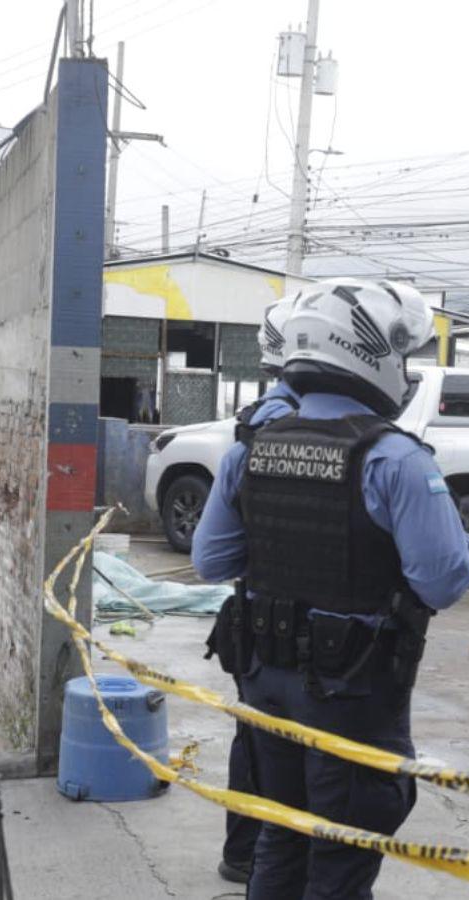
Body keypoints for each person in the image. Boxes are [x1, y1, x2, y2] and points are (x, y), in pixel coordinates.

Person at [192, 278, 469, 900]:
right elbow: (444, 581)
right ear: (371, 356)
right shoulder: (396, 458)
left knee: (280, 836)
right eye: (405, 356)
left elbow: (211, 560)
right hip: (351, 689)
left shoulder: (251, 447)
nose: (407, 371)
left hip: (265, 678)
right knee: (343, 858)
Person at [197, 297, 300, 885]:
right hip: (329, 649)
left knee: (255, 744)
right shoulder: (369, 440)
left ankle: (244, 856)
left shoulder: (253, 427)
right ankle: (259, 859)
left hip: (259, 633)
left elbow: (213, 557)